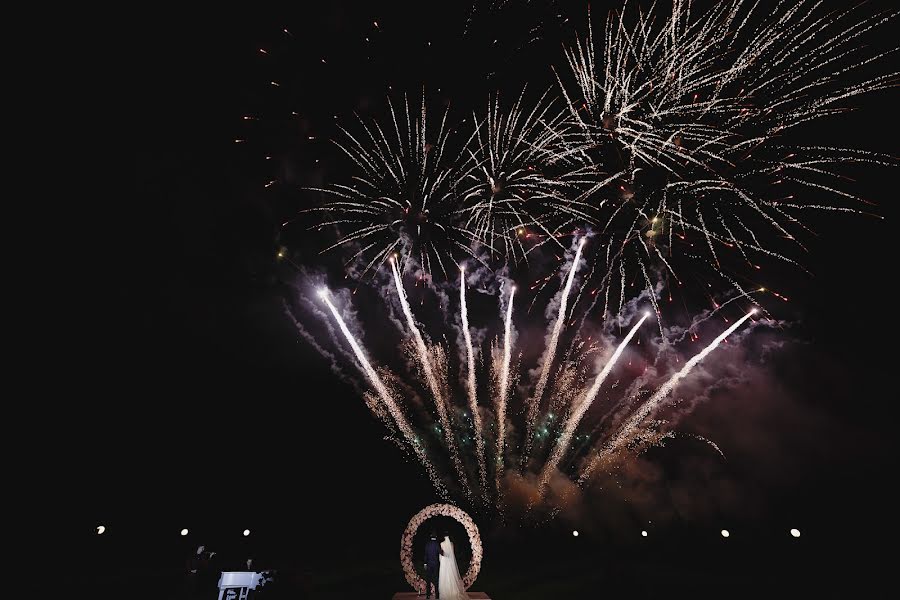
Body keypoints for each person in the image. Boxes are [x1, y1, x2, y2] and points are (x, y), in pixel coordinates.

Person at [438, 533, 469, 600]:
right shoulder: (452, 544)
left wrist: (441, 560)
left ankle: (445, 591)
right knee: (451, 575)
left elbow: (441, 554)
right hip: (450, 562)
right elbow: (452, 554)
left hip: (444, 562)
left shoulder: (442, 544)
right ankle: (453, 591)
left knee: (445, 576)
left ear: (444, 537)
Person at [424, 530, 442, 599]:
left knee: (428, 579)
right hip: (435, 564)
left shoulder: (427, 544)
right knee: (436, 579)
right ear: (436, 537)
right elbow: (440, 552)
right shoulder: (437, 544)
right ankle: (437, 595)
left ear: (430, 536)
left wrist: (425, 563)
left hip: (429, 564)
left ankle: (428, 595)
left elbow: (425, 554)